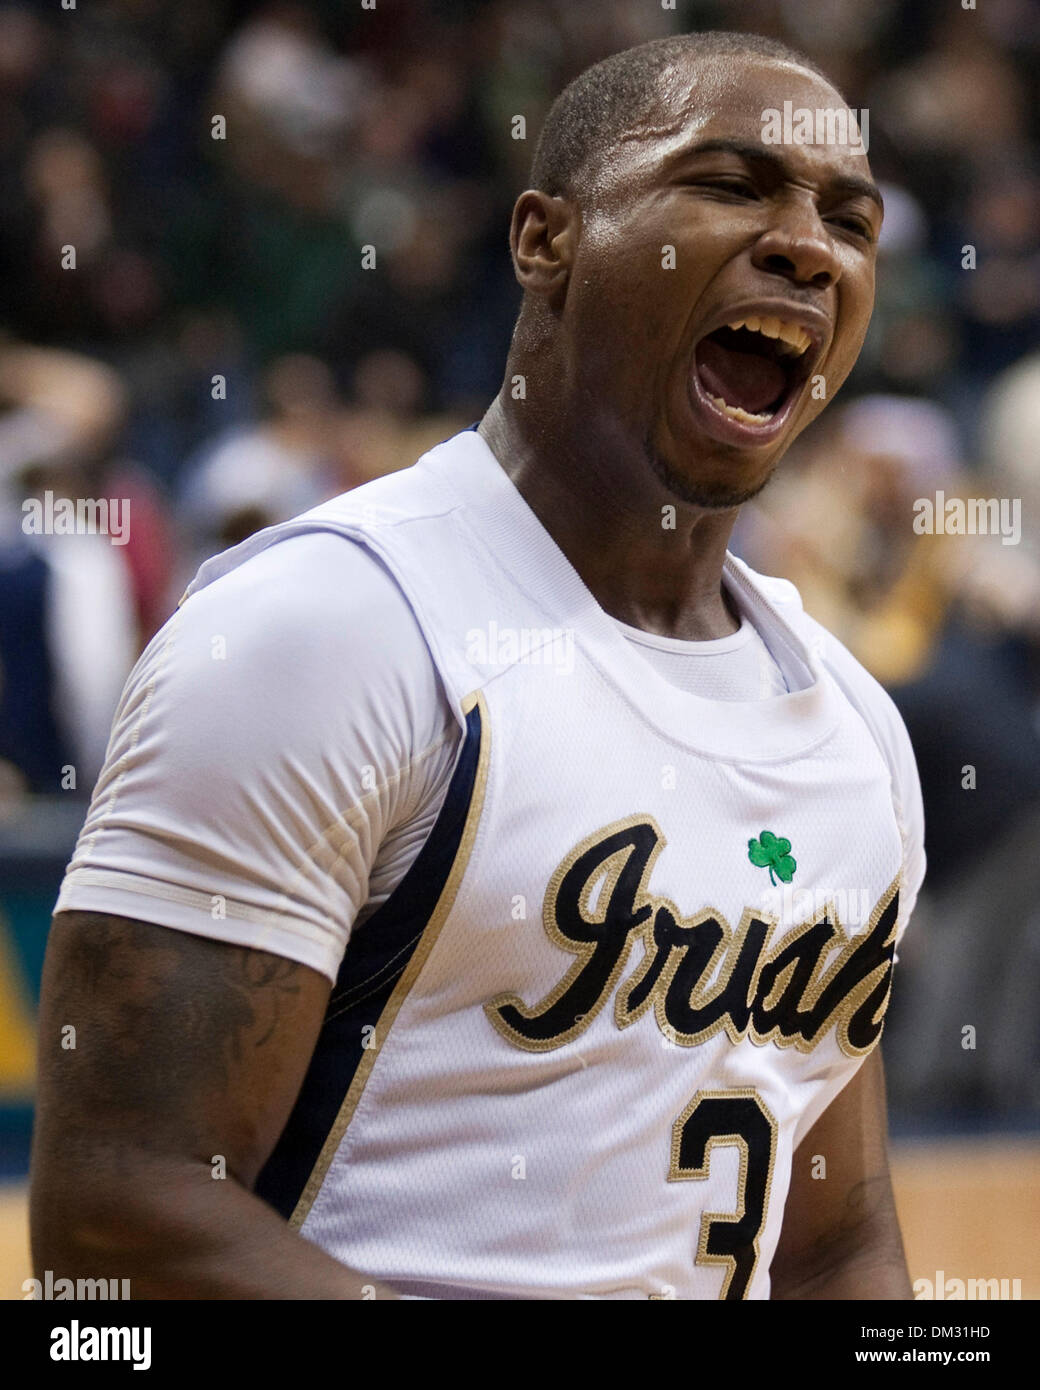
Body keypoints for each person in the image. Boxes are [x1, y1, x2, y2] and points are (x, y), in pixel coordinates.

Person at [31, 32, 924, 1300]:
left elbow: (834, 1246)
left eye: (851, 219)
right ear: (543, 241)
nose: (807, 244)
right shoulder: (330, 627)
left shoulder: (853, 729)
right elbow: (118, 1221)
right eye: (730, 185)